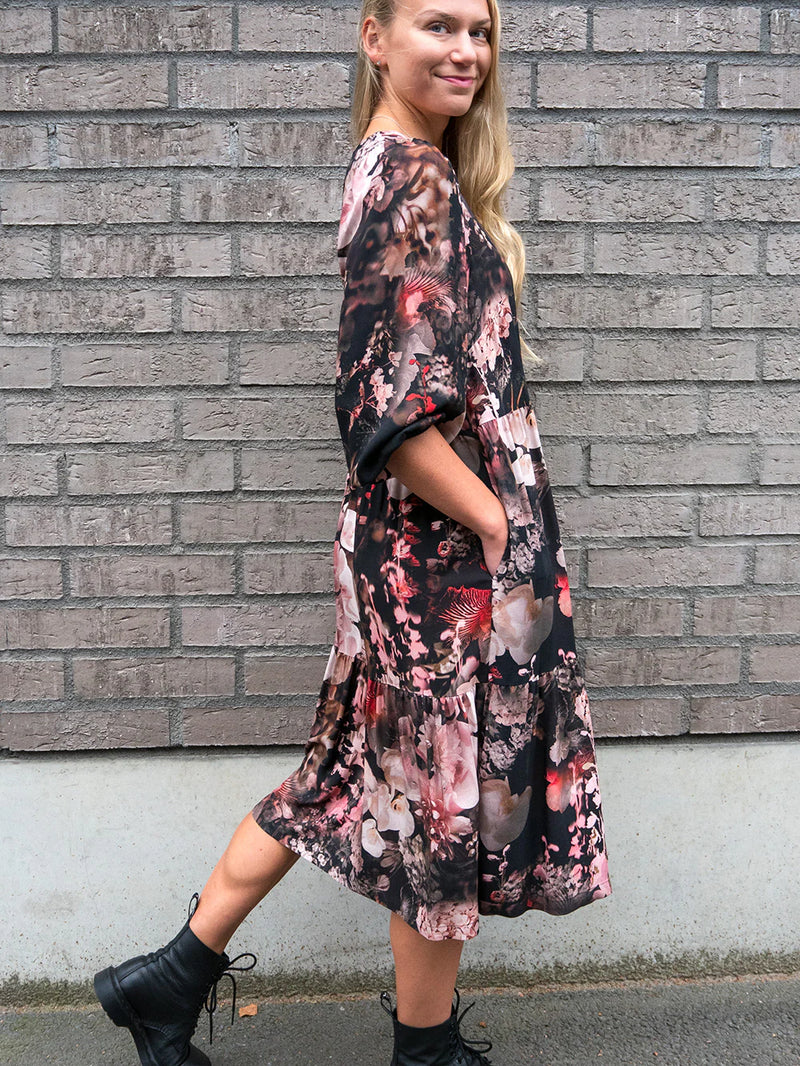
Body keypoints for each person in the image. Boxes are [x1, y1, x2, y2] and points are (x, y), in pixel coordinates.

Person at [93, 1, 612, 1064]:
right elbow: (386, 411)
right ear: (373, 38)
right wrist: (497, 524)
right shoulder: (409, 180)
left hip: (412, 556)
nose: (465, 50)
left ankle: (168, 980)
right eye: (437, 25)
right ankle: (425, 1052)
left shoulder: (401, 171)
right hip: (440, 564)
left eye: (479, 30)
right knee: (439, 805)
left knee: (341, 777)